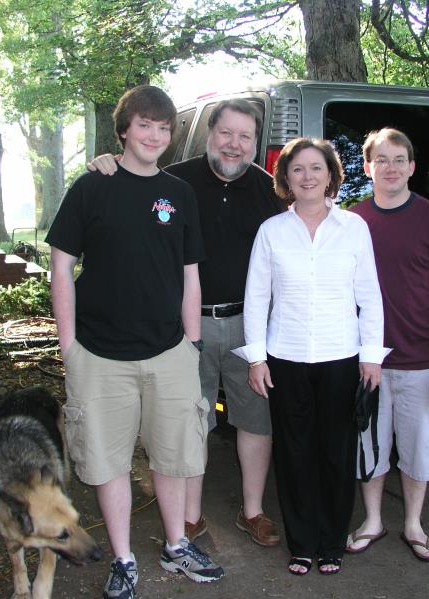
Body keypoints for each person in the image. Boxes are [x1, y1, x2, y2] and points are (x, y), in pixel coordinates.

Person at [47, 85, 223, 599]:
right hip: (99, 355)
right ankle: (123, 559)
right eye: (144, 125)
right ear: (124, 130)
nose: (155, 135)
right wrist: (69, 345)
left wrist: (192, 343)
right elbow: (61, 266)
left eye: (164, 128)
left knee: (174, 456)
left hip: (170, 351)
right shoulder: (91, 186)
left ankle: (176, 546)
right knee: (107, 462)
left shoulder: (180, 194)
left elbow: (192, 274)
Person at [88, 99, 286, 547]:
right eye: (226, 133)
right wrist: (106, 165)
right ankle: (191, 518)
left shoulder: (270, 190)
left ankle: (252, 511)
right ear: (208, 134)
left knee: (256, 420)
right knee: (191, 422)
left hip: (249, 328)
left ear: (256, 143)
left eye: (246, 136)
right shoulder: (174, 182)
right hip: (184, 327)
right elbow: (130, 205)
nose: (234, 145)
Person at [233, 137, 389, 576]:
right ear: (286, 178)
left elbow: (370, 296)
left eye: (315, 168)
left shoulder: (354, 228)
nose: (307, 177)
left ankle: (331, 543)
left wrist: (372, 356)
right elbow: (257, 296)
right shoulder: (272, 231)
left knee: (336, 453)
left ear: (330, 176)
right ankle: (302, 544)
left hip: (343, 356)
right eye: (298, 169)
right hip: (286, 357)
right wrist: (257, 359)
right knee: (296, 453)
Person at [345, 128, 429, 562]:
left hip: (424, 359)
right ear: (368, 167)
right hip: (368, 362)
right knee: (370, 445)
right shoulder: (352, 221)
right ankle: (374, 520)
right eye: (382, 160)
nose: (391, 167)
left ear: (412, 167)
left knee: (420, 449)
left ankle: (414, 524)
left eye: (399, 159)